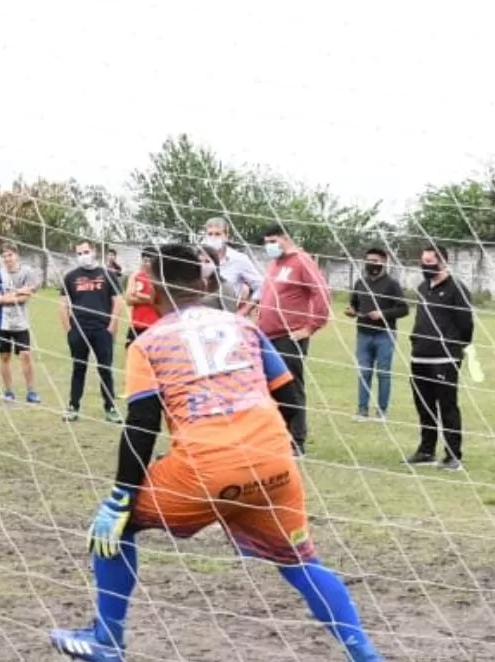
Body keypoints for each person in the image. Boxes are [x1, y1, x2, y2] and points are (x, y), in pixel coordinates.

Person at [48, 243, 382, 662]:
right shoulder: (243, 326)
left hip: (204, 469)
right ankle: (366, 655)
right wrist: (279, 446)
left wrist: (120, 497)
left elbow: (142, 425)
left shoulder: (148, 343)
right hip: (274, 462)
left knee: (117, 528)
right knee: (302, 563)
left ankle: (107, 640)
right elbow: (292, 397)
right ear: (205, 282)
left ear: (149, 288)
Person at [257, 225, 331, 456]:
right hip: (267, 336)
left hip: (289, 337)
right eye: (266, 242)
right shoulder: (275, 264)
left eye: (272, 240)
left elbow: (321, 292)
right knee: (269, 388)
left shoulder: (301, 260)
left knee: (290, 387)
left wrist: (311, 326)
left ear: (284, 238)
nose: (268, 245)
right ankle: (276, 436)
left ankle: (296, 440)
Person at [406, 245, 474, 471]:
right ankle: (426, 450)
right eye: (423, 262)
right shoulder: (423, 287)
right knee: (424, 406)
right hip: (419, 358)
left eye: (430, 262)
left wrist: (454, 348)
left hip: (444, 359)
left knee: (447, 407)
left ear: (443, 262)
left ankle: (453, 455)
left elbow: (466, 326)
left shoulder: (457, 289)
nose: (425, 266)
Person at [60, 239, 123, 424]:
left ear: (93, 251)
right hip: (79, 330)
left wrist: (112, 326)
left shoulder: (108, 274)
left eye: (85, 252)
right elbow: (63, 304)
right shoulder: (70, 276)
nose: (83, 256)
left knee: (105, 369)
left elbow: (118, 302)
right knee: (78, 368)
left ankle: (110, 408)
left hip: (102, 329)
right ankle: (73, 407)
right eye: (79, 253)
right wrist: (69, 329)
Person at [343, 248, 409, 422]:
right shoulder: (360, 283)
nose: (371, 263)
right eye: (368, 260)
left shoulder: (392, 284)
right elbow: (354, 305)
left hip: (384, 335)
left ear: (384, 262)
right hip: (363, 334)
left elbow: (403, 309)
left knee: (383, 373)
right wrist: (351, 311)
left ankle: (382, 411)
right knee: (364, 372)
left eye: (375, 260)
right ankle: (362, 410)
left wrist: (382, 314)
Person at [0, 243, 40, 402]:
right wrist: (18, 293)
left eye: (10, 255)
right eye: (4, 256)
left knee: (25, 355)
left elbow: (27, 297)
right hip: (1, 322)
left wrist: (10, 295)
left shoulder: (27, 272)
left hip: (21, 322)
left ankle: (31, 392)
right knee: (4, 357)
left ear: (17, 255)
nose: (7, 258)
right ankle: (8, 392)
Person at [202, 216, 265, 315]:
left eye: (218, 234)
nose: (213, 238)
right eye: (210, 234)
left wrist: (244, 311)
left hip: (226, 316)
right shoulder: (198, 258)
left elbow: (261, 286)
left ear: (226, 236)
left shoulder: (239, 259)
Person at [122, 247, 161, 348]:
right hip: (136, 324)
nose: (147, 263)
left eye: (150, 261)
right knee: (131, 352)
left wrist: (137, 294)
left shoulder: (159, 279)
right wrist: (146, 298)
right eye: (145, 260)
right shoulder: (135, 276)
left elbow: (154, 300)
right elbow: (128, 300)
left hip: (154, 324)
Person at [198, 244, 242, 312]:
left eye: (207, 261)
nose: (202, 265)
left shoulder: (224, 287)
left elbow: (231, 314)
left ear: (215, 264)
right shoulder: (190, 284)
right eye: (199, 261)